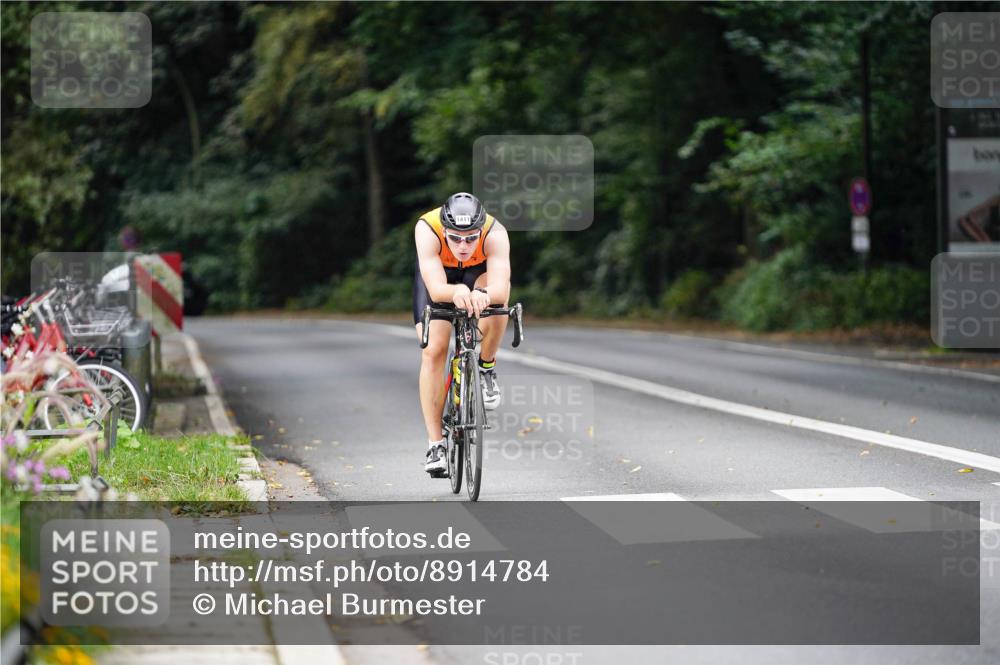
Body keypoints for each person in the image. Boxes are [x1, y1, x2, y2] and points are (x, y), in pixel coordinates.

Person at [413, 192, 510, 474]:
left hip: (478, 275)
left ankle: (486, 367)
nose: (463, 246)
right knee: (433, 350)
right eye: (455, 238)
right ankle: (435, 445)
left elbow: (500, 286)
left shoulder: (495, 233)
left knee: (499, 304)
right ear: (445, 231)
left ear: (481, 230)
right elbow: (435, 290)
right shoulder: (427, 228)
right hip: (440, 278)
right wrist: (456, 291)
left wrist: (484, 294)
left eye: (471, 238)